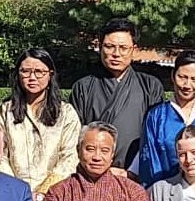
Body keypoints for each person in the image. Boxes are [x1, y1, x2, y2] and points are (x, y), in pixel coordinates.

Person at [70, 18, 164, 176]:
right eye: (109, 47)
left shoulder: (150, 86)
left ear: (134, 50)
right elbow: (74, 138)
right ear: (100, 47)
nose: (116, 54)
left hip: (133, 176)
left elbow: (155, 138)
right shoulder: (83, 87)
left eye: (123, 48)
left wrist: (133, 171)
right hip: (91, 173)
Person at [0, 48, 80, 201]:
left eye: (39, 72)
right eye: (26, 71)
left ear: (50, 74)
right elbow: (0, 155)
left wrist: (42, 192)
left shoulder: (66, 113)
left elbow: (70, 158)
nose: (32, 77)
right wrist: (19, 192)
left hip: (55, 197)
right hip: (12, 196)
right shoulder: (4, 111)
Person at [134, 51, 195, 189]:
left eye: (194, 79)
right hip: (167, 195)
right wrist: (158, 196)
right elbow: (149, 163)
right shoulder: (156, 116)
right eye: (182, 77)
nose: (187, 85)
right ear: (173, 76)